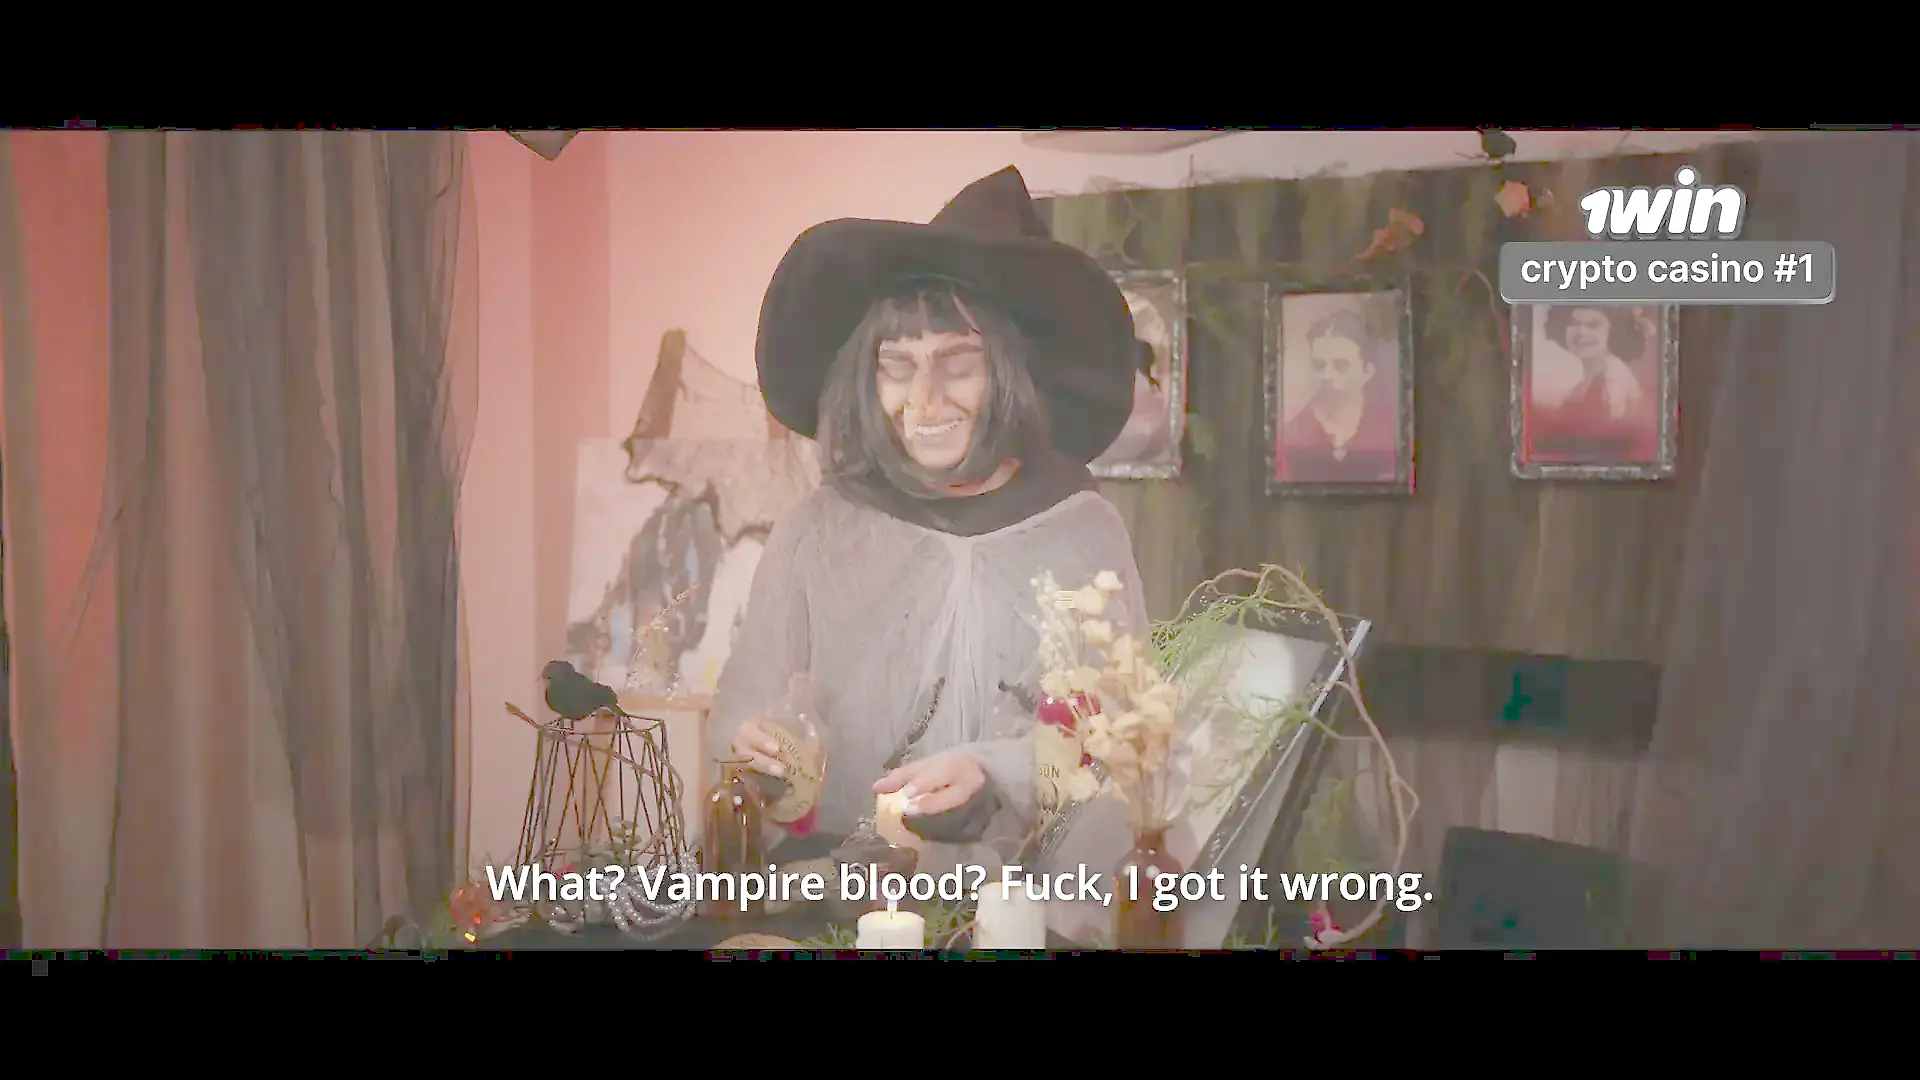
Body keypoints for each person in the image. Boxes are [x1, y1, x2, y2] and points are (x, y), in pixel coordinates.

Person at [710, 166, 1149, 868]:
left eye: (958, 362)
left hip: (1019, 900)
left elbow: (1115, 741)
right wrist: (753, 744)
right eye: (897, 364)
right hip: (838, 892)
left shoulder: (1082, 531)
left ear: (1009, 374)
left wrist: (992, 771)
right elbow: (743, 712)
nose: (925, 399)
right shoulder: (815, 532)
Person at [1277, 309, 1400, 482]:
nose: (1327, 376)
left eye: (1341, 365)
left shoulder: (1392, 433)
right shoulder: (1292, 436)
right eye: (1319, 365)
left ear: (1367, 372)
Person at [1529, 305, 1658, 462]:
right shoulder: (1580, 388)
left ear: (1613, 332)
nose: (1582, 332)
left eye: (1594, 325)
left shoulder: (1614, 379)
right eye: (1574, 324)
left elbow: (1613, 447)